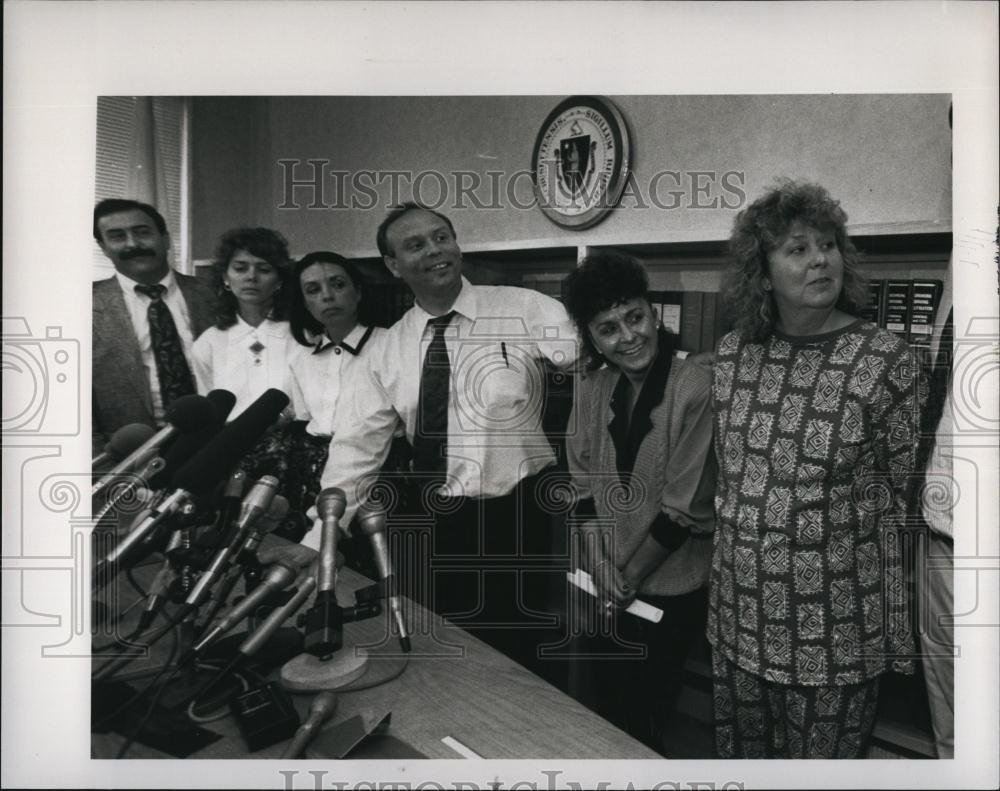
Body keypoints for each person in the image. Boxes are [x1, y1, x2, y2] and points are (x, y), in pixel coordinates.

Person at [707, 180, 925, 758]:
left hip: (834, 631)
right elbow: (731, 478)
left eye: (828, 244)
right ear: (762, 268)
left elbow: (902, 499)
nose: (820, 259)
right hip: (738, 618)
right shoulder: (732, 355)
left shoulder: (887, 361)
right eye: (797, 249)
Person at [314, 202, 578, 671]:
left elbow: (598, 363)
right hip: (436, 519)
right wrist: (321, 541)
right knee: (446, 648)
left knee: (521, 653)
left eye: (442, 237)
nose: (436, 250)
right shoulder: (387, 352)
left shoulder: (525, 308)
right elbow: (356, 452)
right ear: (394, 266)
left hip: (518, 513)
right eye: (416, 245)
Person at [561, 250, 716, 753]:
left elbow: (683, 509)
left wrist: (619, 577)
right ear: (593, 339)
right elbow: (581, 483)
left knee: (647, 713)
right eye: (608, 328)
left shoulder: (694, 385)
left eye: (635, 317)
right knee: (604, 705)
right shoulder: (590, 383)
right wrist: (600, 565)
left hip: (669, 585)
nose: (627, 337)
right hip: (604, 578)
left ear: (654, 314)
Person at [92, 198, 215, 456]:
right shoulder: (81, 306)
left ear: (165, 239)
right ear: (103, 247)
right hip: (127, 455)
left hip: (215, 444)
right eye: (117, 236)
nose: (133, 244)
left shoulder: (215, 295)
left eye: (142, 232)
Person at [284, 251, 386, 523]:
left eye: (338, 285)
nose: (327, 296)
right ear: (305, 304)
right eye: (313, 290)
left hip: (373, 477)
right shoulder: (300, 356)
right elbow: (303, 418)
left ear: (359, 291)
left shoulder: (389, 346)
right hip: (309, 473)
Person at [191, 227, 298, 418]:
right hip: (229, 443)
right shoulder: (207, 344)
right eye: (240, 269)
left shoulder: (302, 337)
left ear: (280, 280)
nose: (251, 277)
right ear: (225, 277)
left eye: (264, 269)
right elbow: (210, 413)